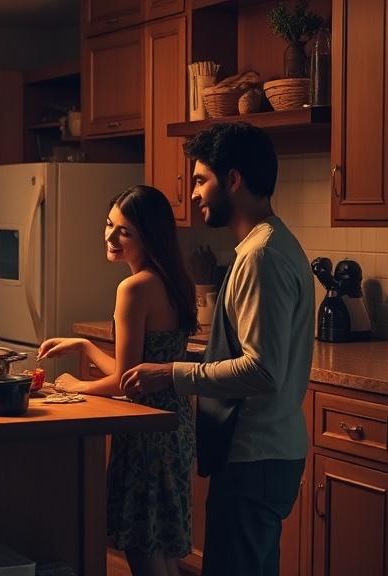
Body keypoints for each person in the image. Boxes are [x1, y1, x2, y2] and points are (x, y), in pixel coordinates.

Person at [120, 122, 314, 576]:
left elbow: (262, 370)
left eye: (201, 180)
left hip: (255, 455)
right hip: (261, 455)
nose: (193, 194)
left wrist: (171, 373)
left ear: (234, 179)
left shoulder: (262, 256)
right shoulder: (265, 245)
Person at [38, 185, 198, 576]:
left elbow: (126, 381)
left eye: (124, 231)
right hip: (175, 424)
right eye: (109, 225)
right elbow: (138, 366)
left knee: (143, 547)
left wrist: (74, 387)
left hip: (145, 432)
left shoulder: (133, 287)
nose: (110, 237)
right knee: (161, 545)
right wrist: (84, 346)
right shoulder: (173, 279)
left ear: (149, 235)